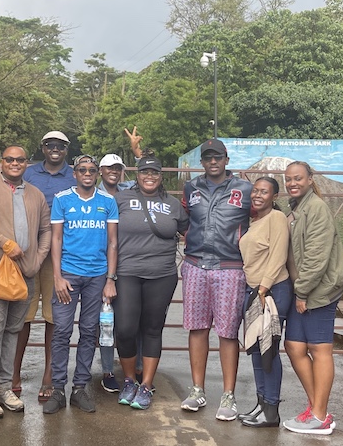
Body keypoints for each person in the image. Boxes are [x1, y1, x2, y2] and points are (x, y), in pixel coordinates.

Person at [0, 145, 51, 418]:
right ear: (1, 162)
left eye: (20, 159)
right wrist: (3, 243)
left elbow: (46, 229)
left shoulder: (35, 194)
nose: (15, 163)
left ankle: (4, 388)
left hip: (25, 272)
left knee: (13, 330)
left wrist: (37, 259)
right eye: (9, 159)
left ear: (27, 163)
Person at [180, 138, 252, 421]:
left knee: (227, 331)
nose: (213, 161)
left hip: (230, 267)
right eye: (208, 157)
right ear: (202, 161)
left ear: (226, 160)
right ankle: (197, 390)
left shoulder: (244, 189)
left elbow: (260, 220)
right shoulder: (192, 187)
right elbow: (185, 220)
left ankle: (228, 395)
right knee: (197, 328)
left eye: (218, 157)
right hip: (196, 264)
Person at [43, 154, 118, 415]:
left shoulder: (107, 201)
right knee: (62, 331)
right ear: (74, 173)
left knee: (89, 331)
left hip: (97, 277)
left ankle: (79, 388)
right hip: (68, 275)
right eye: (82, 169)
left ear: (97, 173)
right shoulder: (63, 199)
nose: (87, 173)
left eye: (92, 169)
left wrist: (110, 279)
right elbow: (56, 240)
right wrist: (57, 277)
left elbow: (112, 243)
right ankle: (57, 390)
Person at [113, 153, 188, 411]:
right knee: (124, 329)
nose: (149, 177)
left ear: (161, 176)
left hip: (162, 274)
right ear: (137, 174)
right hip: (127, 272)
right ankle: (129, 380)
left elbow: (189, 232)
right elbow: (106, 235)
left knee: (152, 329)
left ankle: (146, 385)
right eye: (145, 172)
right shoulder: (120, 199)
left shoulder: (173, 204)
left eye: (154, 173)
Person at [281, 161, 343, 435]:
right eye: (288, 180)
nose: (292, 183)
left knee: (320, 350)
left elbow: (316, 257)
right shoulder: (297, 208)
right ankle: (316, 407)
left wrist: (303, 292)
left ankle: (319, 415)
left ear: (310, 179)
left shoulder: (316, 208)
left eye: (298, 178)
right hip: (304, 291)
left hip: (319, 291)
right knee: (295, 346)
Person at [13, 130, 75, 401]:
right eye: (50, 144)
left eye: (60, 146)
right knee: (21, 315)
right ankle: (12, 374)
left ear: (66, 149)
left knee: (54, 317)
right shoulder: (28, 172)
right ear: (42, 146)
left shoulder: (75, 174)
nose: (55, 149)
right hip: (27, 249)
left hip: (59, 253)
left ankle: (49, 375)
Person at [238, 176, 291, 428]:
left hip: (271, 291)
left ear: (274, 196)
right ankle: (261, 404)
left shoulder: (277, 219)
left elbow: (279, 254)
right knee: (256, 351)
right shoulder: (255, 220)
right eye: (255, 191)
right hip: (254, 291)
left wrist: (264, 287)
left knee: (268, 351)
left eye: (264, 192)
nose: (258, 195)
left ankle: (272, 410)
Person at [97, 153, 135, 393]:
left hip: (128, 261)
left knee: (131, 320)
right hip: (100, 263)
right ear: (101, 170)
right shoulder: (93, 192)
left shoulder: (128, 190)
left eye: (118, 167)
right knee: (106, 321)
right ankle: (108, 370)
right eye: (109, 167)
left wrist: (139, 152)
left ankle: (136, 367)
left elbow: (149, 177)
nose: (114, 171)